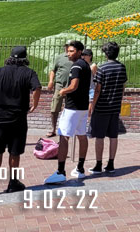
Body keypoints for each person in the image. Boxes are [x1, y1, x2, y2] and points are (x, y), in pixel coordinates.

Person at [0, 46, 41, 196]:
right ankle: (13, 182)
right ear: (24, 58)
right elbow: (37, 88)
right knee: (15, 152)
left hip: (0, 116)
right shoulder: (29, 73)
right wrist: (34, 105)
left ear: (10, 57)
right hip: (19, 117)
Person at [44, 41, 91, 184]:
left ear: (79, 51)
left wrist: (64, 90)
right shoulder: (86, 66)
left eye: (71, 51)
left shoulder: (76, 66)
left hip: (72, 108)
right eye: (68, 51)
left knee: (64, 137)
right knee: (82, 136)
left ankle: (60, 171)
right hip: (82, 107)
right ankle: (80, 168)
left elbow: (74, 85)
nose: (68, 54)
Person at [88, 41, 128, 174]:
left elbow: (98, 89)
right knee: (113, 136)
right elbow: (123, 86)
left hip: (102, 106)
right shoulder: (122, 67)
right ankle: (111, 164)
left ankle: (98, 165)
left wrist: (93, 104)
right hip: (115, 106)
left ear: (106, 53)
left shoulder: (102, 68)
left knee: (99, 136)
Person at [45, 47, 74, 137]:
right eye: (67, 46)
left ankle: (69, 129)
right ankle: (53, 129)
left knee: (71, 109)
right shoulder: (60, 57)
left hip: (72, 87)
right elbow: (53, 70)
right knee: (54, 108)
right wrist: (51, 81)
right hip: (59, 86)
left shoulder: (78, 58)